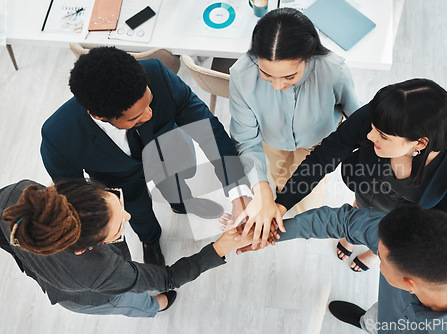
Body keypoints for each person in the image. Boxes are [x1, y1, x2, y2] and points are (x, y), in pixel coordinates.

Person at [41, 47, 252, 267]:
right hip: (121, 182)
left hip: (169, 156)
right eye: (136, 117)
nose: (149, 114)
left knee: (178, 185)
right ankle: (150, 242)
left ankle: (182, 203)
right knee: (140, 215)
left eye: (149, 102)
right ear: (99, 117)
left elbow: (208, 130)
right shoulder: (58, 135)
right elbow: (75, 194)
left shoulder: (157, 74)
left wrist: (239, 191)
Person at [271, 78, 447, 272]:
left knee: (387, 235)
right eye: (372, 128)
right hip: (368, 188)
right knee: (358, 208)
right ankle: (349, 236)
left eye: (382, 135)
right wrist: (281, 204)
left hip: (407, 213)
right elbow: (322, 159)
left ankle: (374, 252)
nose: (370, 135)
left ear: (420, 143)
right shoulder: (379, 117)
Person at [0, 179, 252, 317]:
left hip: (56, 278)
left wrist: (24, 255)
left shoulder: (19, 198)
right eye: (119, 228)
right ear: (85, 249)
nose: (129, 217)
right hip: (90, 298)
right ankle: (156, 307)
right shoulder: (104, 271)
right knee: (131, 302)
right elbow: (168, 277)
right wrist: (220, 247)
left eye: (116, 201)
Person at [227, 7, 360, 248]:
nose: (277, 86)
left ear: (308, 57)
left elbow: (357, 118)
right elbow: (246, 140)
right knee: (277, 179)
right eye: (266, 74)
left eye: (289, 76)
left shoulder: (334, 70)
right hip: (271, 143)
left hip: (319, 148)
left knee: (309, 199)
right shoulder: (240, 75)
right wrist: (263, 191)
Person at [259, 204, 447, 333]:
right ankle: (367, 323)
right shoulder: (408, 240)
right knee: (376, 319)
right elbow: (344, 220)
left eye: (381, 259)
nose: (376, 257)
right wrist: (267, 234)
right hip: (390, 314)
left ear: (409, 284)